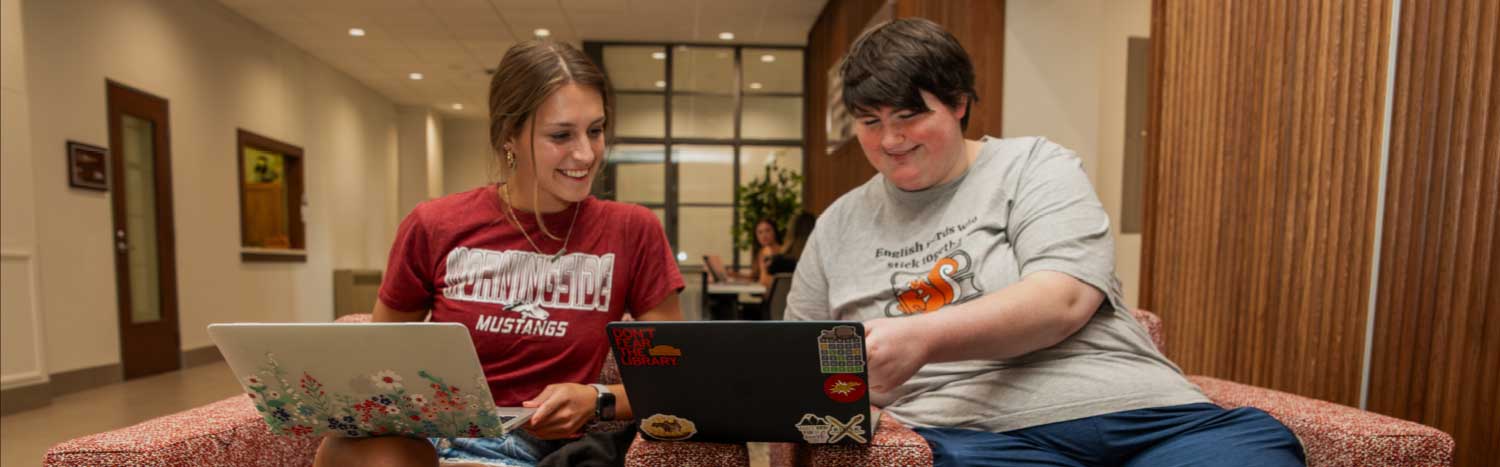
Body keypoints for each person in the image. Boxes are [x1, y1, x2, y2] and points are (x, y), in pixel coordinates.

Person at [785, 18, 1304, 467]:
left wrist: (920, 338)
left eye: (909, 116)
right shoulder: (838, 225)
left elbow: (1064, 299)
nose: (891, 141)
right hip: (970, 437)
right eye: (871, 123)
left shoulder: (1033, 166)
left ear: (959, 103)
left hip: (1140, 413)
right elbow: (797, 361)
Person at [314, 40, 683, 467]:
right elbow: (377, 364)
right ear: (509, 134)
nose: (586, 153)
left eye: (595, 130)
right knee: (352, 449)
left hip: (532, 452)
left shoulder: (632, 230)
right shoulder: (435, 224)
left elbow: (671, 378)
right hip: (424, 444)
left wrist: (597, 399)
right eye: (561, 135)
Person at [730, 218, 783, 288]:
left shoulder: (783, 252)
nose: (764, 235)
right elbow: (754, 277)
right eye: (760, 232)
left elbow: (766, 282)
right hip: (764, 294)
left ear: (775, 232)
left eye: (768, 230)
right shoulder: (761, 252)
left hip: (776, 296)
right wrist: (734, 275)